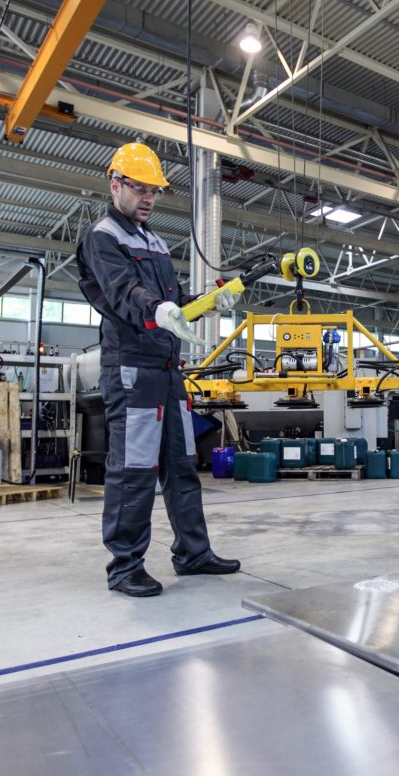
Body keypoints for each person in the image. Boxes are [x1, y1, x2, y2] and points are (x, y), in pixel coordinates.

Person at [77, 142, 242, 597]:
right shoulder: (103, 237)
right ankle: (125, 566)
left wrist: (210, 302)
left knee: (182, 464)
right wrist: (161, 309)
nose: (149, 198)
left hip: (168, 370)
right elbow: (124, 293)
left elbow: (176, 303)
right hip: (132, 370)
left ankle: (193, 553)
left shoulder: (153, 240)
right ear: (116, 185)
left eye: (155, 190)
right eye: (140, 188)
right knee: (133, 470)